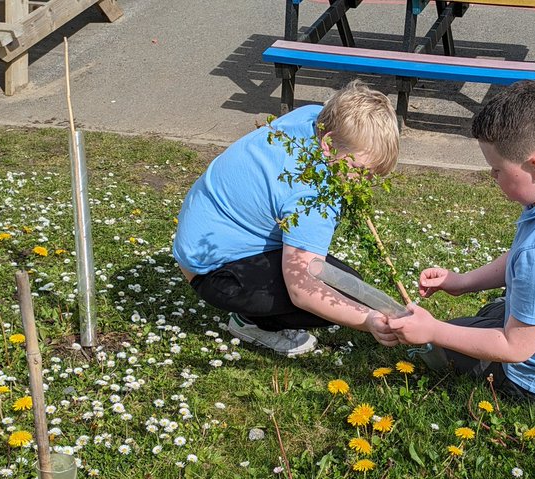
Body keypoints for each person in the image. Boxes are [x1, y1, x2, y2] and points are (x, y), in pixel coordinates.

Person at [389, 81, 535, 402]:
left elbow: (515, 348)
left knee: (443, 344)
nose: (493, 178)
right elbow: (521, 257)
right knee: (479, 320)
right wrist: (463, 282)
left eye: (497, 169)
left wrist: (433, 331)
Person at [172, 81, 401, 356]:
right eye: (361, 171)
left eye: (374, 175)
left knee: (347, 282)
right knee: (347, 295)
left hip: (202, 237)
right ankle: (253, 323)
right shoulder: (313, 195)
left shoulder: (313, 118)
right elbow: (302, 290)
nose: (365, 183)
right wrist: (368, 319)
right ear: (329, 144)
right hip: (213, 271)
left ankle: (256, 308)